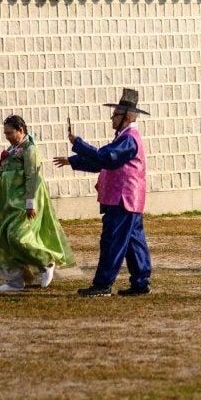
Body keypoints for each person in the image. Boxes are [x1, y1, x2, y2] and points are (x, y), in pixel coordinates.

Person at [54, 88, 152, 297]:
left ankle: (102, 285)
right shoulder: (125, 137)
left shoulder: (129, 139)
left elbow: (105, 158)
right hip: (128, 199)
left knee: (113, 241)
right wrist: (72, 161)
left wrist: (78, 144)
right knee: (133, 242)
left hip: (122, 198)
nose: (112, 118)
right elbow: (102, 161)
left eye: (115, 115)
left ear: (126, 116)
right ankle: (140, 283)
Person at [0, 114, 74, 292]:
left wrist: (30, 203)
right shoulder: (14, 149)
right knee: (6, 239)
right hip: (9, 204)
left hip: (24, 204)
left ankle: (45, 262)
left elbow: (32, 177)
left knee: (18, 237)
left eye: (10, 133)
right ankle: (15, 281)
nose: (7, 137)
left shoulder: (29, 150)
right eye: (5, 134)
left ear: (21, 130)